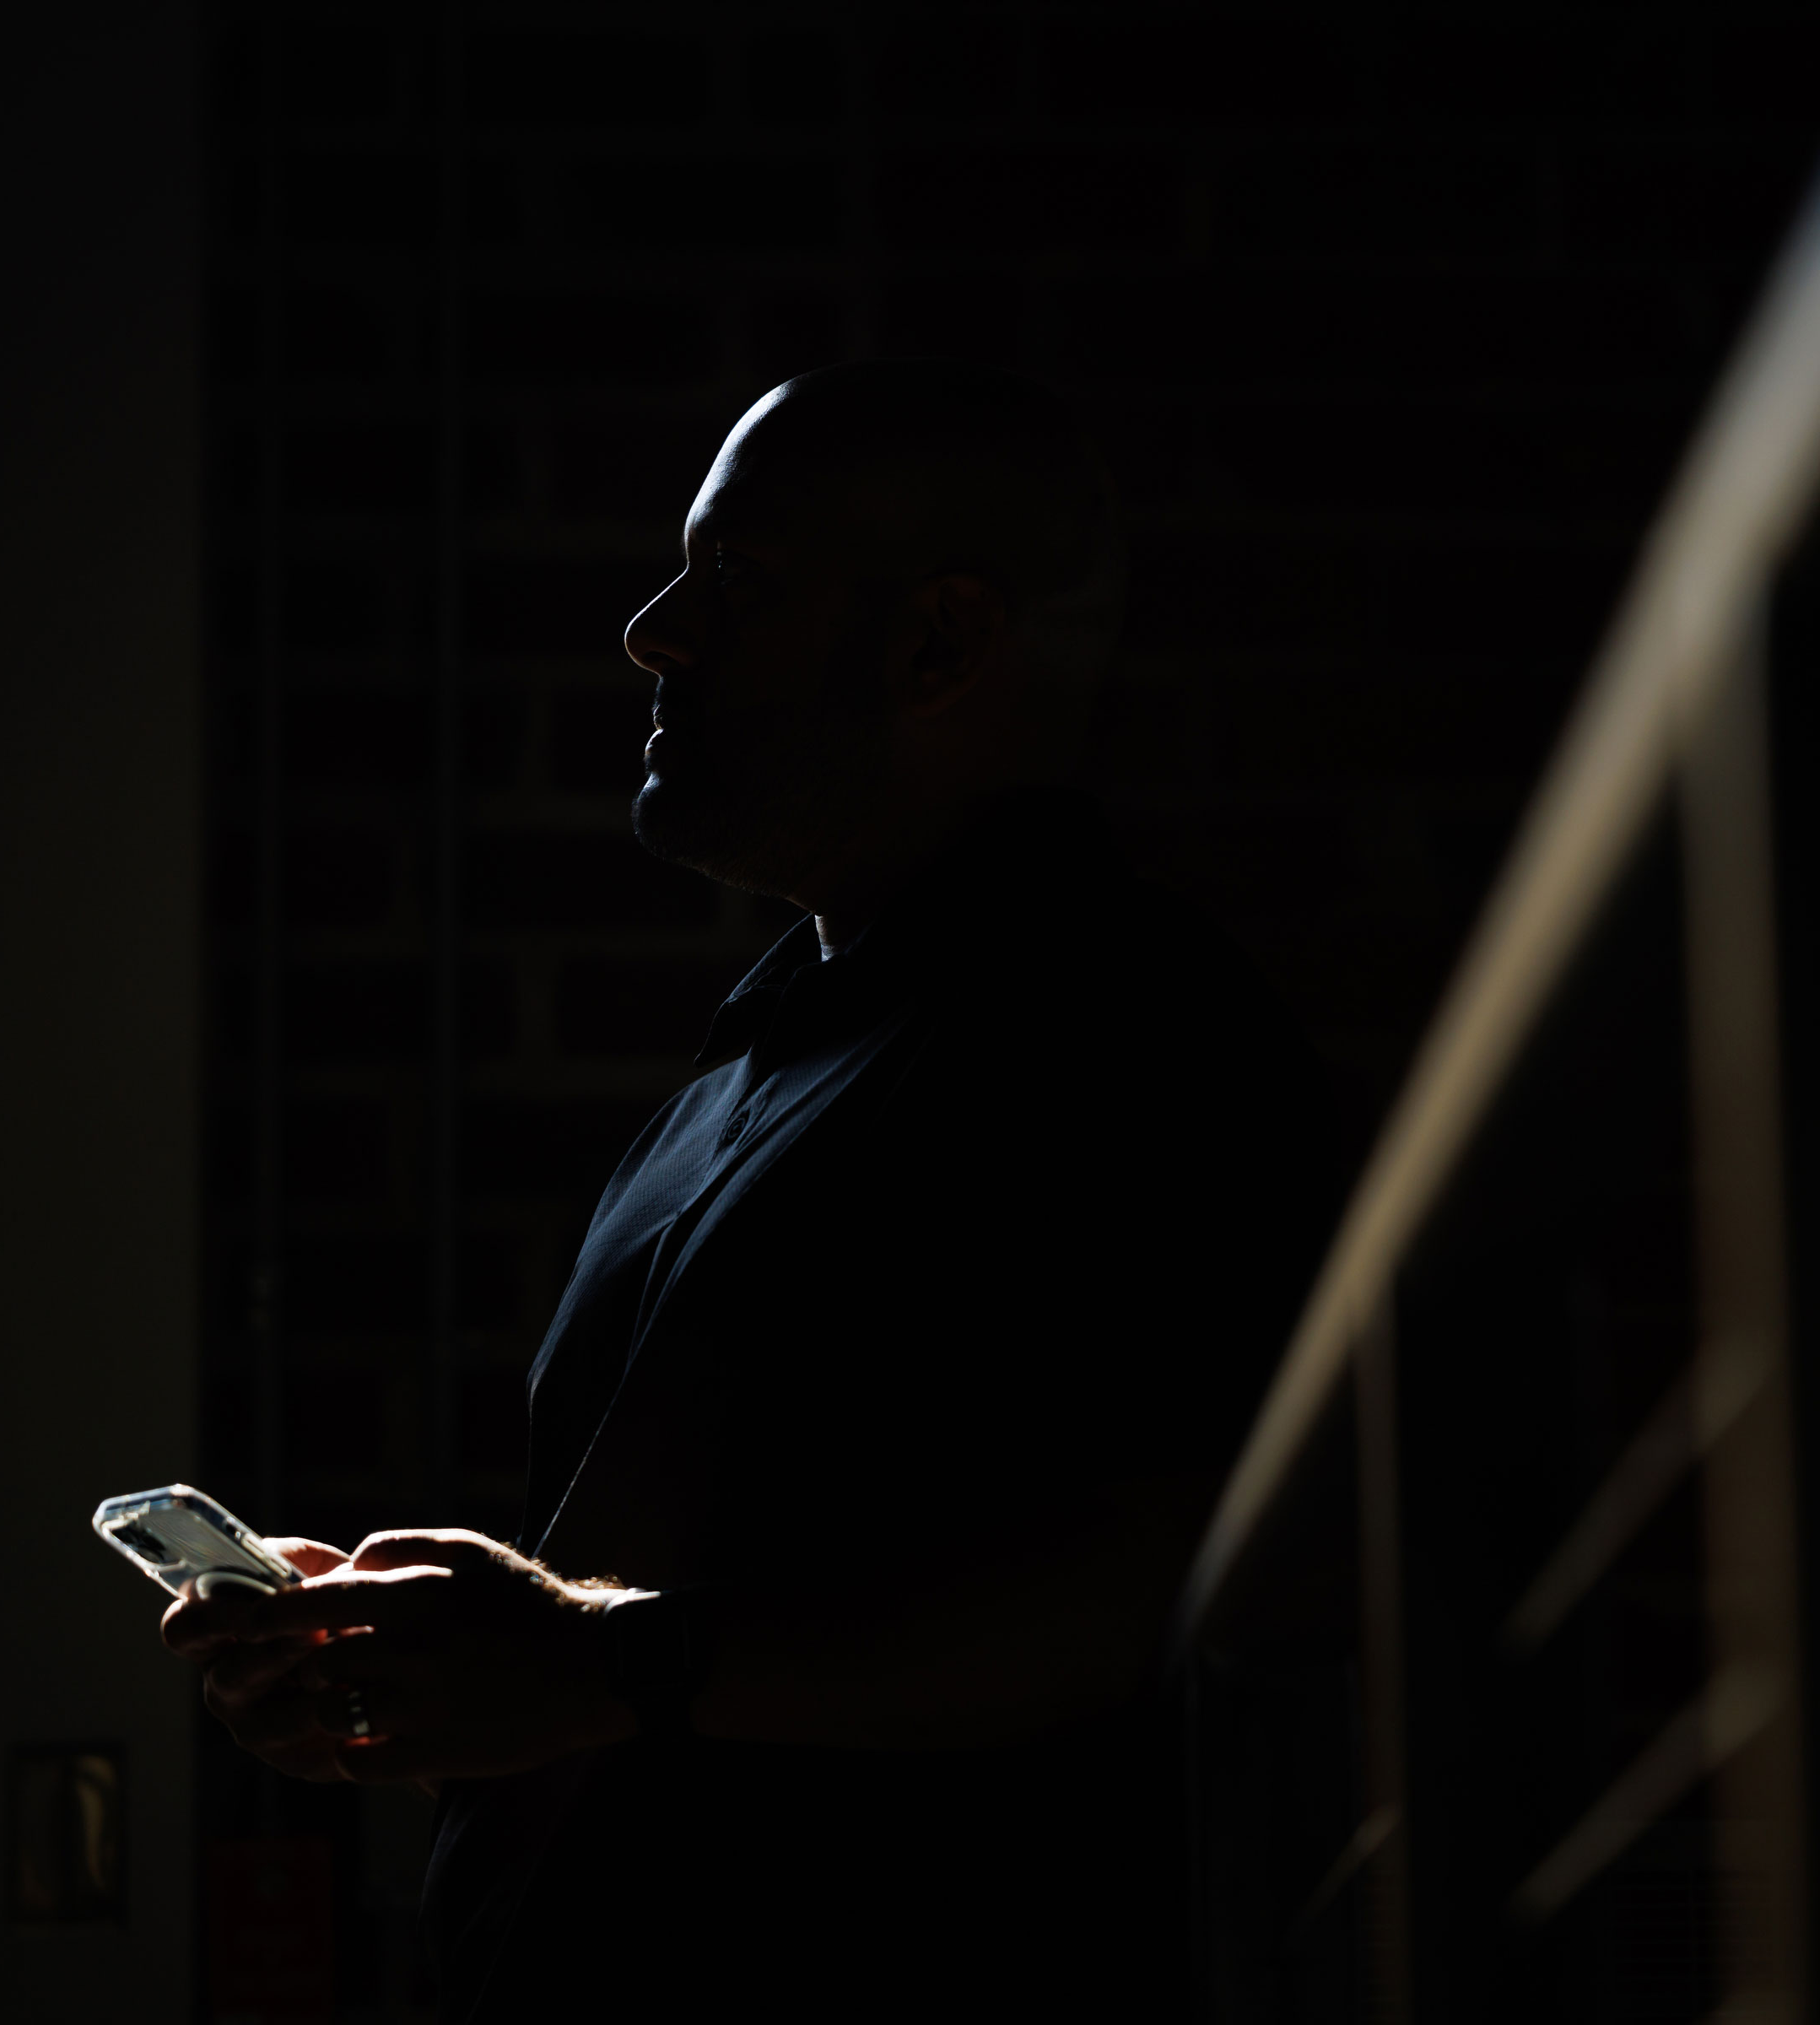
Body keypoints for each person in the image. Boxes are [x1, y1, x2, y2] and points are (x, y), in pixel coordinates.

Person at [162, 359, 1340, 2020]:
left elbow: (1166, 1585)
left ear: (938, 645)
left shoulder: (1131, 1037)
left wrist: (593, 1664)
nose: (652, 630)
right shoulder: (751, 1069)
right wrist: (445, 1679)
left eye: (738, 582)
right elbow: (699, 1669)